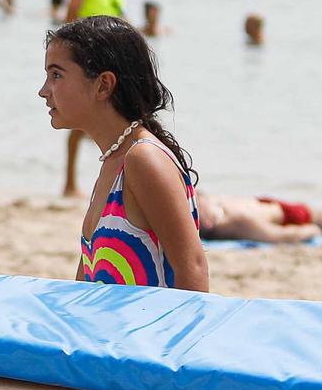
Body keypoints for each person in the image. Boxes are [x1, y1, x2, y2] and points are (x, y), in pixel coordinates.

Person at [40, 15, 207, 291]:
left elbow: (193, 268)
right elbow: (86, 286)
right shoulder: (112, 162)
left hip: (149, 334)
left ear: (103, 84)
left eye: (56, 75)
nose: (43, 91)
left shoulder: (144, 160)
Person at [61, 0, 127, 196]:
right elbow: (70, 16)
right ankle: (69, 182)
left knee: (116, 117)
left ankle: (115, 182)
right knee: (81, 119)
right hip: (88, 56)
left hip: (112, 53)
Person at [195, 187, 322, 243]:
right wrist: (310, 231)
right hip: (289, 217)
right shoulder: (236, 222)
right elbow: (278, 236)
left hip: (275, 207)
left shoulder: (204, 203)